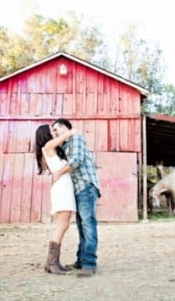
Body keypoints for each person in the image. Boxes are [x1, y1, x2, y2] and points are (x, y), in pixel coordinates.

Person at [51, 118, 101, 278]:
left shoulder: (76, 138)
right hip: (79, 189)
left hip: (86, 186)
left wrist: (59, 173)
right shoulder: (64, 147)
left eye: (57, 129)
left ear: (66, 128)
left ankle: (89, 264)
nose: (55, 133)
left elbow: (77, 160)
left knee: (88, 224)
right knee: (81, 226)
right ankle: (81, 260)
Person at [35, 124, 77, 275]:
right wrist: (71, 131)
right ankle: (52, 262)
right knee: (62, 225)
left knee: (63, 225)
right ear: (45, 134)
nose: (55, 132)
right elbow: (65, 136)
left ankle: (53, 262)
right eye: (52, 130)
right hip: (62, 188)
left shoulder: (50, 149)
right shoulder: (48, 146)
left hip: (63, 187)